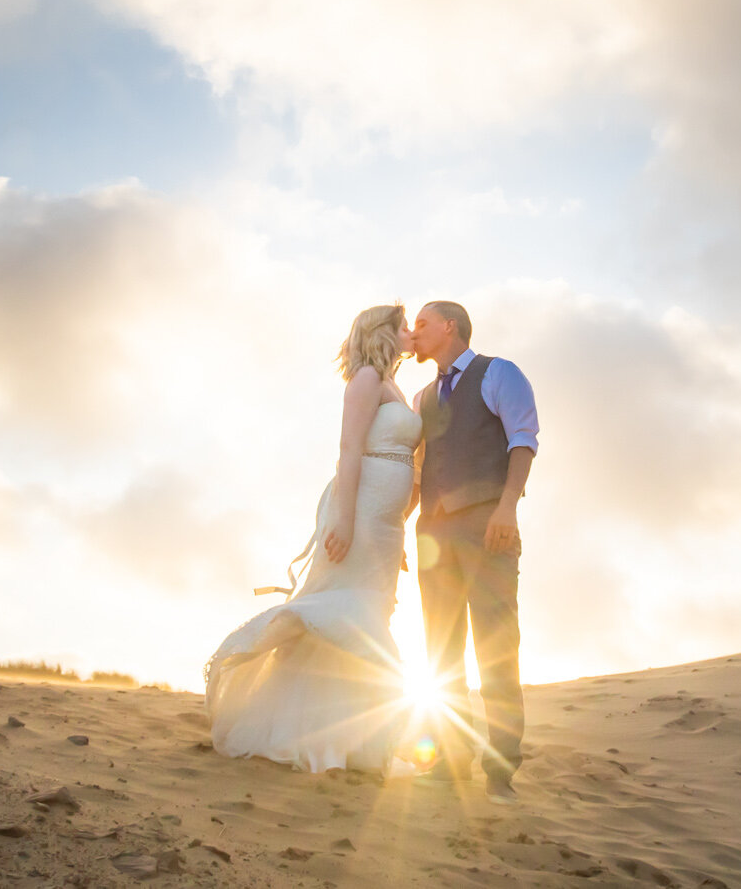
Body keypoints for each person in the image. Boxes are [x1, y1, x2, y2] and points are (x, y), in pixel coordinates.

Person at [203, 304, 420, 773]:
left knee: (367, 611)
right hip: (358, 514)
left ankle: (348, 737)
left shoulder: (393, 384)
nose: (410, 332)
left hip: (385, 525)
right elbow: (348, 448)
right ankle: (319, 734)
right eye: (403, 325)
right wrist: (344, 520)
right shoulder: (365, 378)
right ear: (381, 332)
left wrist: (397, 528)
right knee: (347, 611)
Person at [409, 299, 538, 806]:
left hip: (488, 527)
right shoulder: (423, 396)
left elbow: (522, 441)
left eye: (421, 324)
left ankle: (500, 772)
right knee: (441, 654)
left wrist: (507, 508)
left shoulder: (498, 373)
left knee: (496, 650)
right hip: (432, 536)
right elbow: (419, 469)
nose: (414, 333)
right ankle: (447, 762)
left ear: (449, 326)